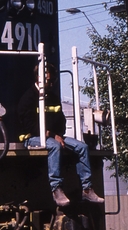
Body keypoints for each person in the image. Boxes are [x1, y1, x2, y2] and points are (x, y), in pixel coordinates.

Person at [17, 63, 105, 207]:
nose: (52, 84)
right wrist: (52, 135)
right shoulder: (27, 98)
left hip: (53, 136)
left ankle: (87, 189)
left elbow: (61, 121)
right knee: (55, 146)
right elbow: (29, 126)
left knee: (82, 147)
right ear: (40, 78)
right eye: (49, 80)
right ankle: (56, 188)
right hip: (30, 138)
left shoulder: (52, 97)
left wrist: (57, 134)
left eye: (54, 81)